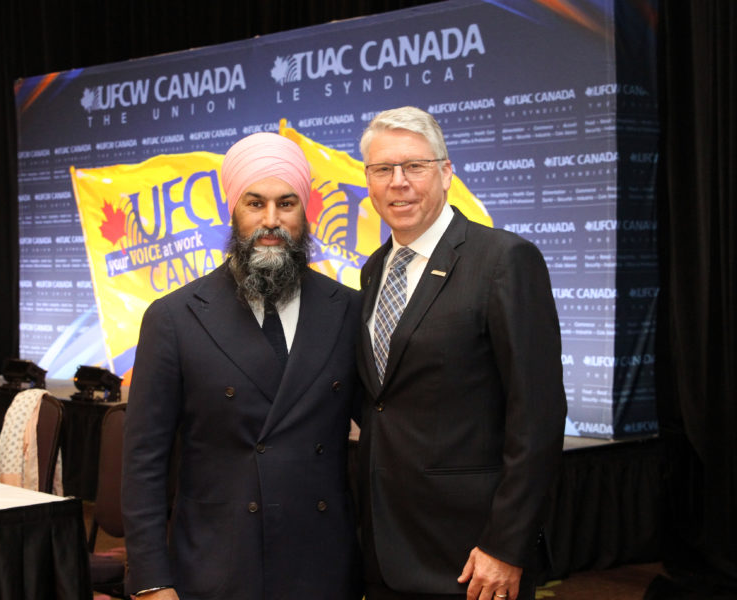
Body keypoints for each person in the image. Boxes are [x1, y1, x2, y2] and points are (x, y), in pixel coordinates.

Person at [121, 132, 363, 600]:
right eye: (255, 203)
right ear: (232, 210)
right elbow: (143, 464)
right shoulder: (174, 318)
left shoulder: (348, 309)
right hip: (217, 565)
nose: (271, 221)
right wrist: (151, 581)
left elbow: (382, 431)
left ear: (305, 212)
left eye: (286, 204)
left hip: (322, 566)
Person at [355, 106, 566, 600]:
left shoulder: (503, 260)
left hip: (472, 557)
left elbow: (536, 416)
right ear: (368, 181)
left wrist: (506, 545)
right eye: (383, 169)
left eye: (415, 166)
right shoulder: (373, 270)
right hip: (386, 549)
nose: (399, 182)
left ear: (447, 172)